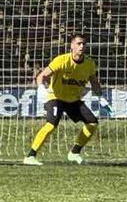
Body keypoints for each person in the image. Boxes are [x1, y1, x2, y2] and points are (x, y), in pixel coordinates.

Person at [25, 34, 112, 165]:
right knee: (51, 125)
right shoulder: (61, 60)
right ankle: (30, 156)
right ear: (72, 46)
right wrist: (41, 88)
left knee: (92, 123)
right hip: (56, 97)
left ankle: (74, 153)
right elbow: (42, 75)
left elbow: (93, 82)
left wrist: (102, 97)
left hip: (74, 100)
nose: (81, 46)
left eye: (83, 44)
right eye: (78, 44)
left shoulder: (89, 64)